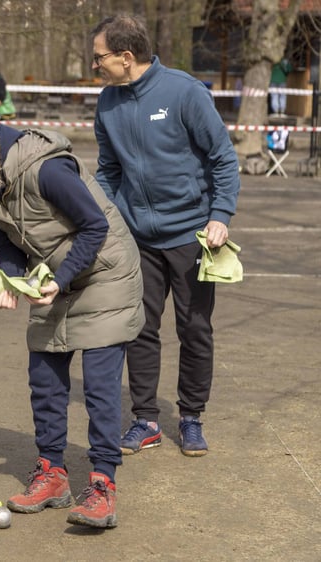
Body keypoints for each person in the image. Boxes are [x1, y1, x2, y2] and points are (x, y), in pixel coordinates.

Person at [0, 122, 144, 528]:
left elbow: (96, 226)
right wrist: (8, 281)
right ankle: (52, 474)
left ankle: (102, 485)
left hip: (105, 273)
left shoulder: (46, 170)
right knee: (44, 377)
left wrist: (59, 282)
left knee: (98, 386)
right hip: (52, 278)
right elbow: (7, 245)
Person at [90, 15, 241, 457]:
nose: (95, 64)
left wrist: (220, 214)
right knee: (139, 328)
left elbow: (223, 160)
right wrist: (105, 218)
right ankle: (146, 419)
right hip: (138, 238)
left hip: (194, 236)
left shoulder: (185, 92)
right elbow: (108, 172)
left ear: (126, 56)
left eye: (99, 57)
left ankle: (191, 418)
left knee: (195, 329)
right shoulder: (107, 104)